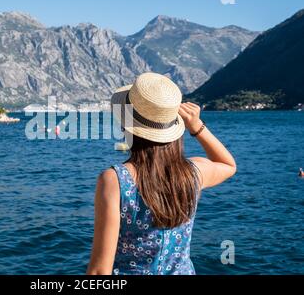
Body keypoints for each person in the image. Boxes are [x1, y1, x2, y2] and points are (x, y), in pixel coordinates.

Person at [87, 72, 237, 275]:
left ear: (126, 125)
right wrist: (197, 127)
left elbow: (99, 272)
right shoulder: (192, 174)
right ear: (174, 128)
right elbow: (228, 165)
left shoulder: (116, 180)